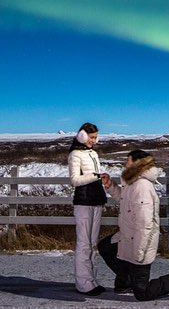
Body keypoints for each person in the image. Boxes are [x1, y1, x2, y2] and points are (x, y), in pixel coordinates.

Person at [98, 149, 169, 301]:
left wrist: (140, 252)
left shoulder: (141, 187)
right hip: (127, 236)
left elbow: (145, 225)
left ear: (137, 165)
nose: (125, 165)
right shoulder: (132, 183)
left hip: (140, 242)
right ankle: (126, 281)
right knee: (106, 247)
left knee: (142, 293)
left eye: (128, 162)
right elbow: (124, 200)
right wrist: (110, 185)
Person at [67, 122, 107, 296]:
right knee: (84, 243)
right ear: (82, 136)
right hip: (83, 202)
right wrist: (95, 176)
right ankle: (83, 284)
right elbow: (74, 180)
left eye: (96, 137)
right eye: (91, 137)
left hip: (96, 199)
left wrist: (100, 178)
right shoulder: (75, 154)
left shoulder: (93, 153)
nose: (94, 140)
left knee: (92, 243)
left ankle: (91, 281)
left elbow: (92, 176)